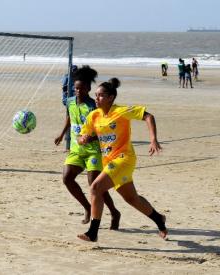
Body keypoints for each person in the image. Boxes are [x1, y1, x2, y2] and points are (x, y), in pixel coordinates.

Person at [76, 78, 167, 242]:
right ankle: (158, 219)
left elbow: (148, 116)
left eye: (101, 95)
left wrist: (153, 139)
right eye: (95, 95)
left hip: (124, 159)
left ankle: (93, 232)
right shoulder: (94, 115)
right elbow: (82, 135)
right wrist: (82, 139)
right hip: (109, 162)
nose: (96, 98)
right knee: (132, 199)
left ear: (111, 97)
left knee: (95, 187)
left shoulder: (121, 111)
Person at [54, 65, 121, 228]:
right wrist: (62, 134)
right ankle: (87, 207)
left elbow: (102, 127)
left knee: (95, 184)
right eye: (76, 88)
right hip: (77, 149)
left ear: (88, 88)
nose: (78, 91)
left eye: (82, 88)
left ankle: (114, 212)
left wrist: (90, 138)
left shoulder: (93, 106)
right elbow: (69, 118)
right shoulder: (70, 102)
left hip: (93, 151)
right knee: (67, 178)